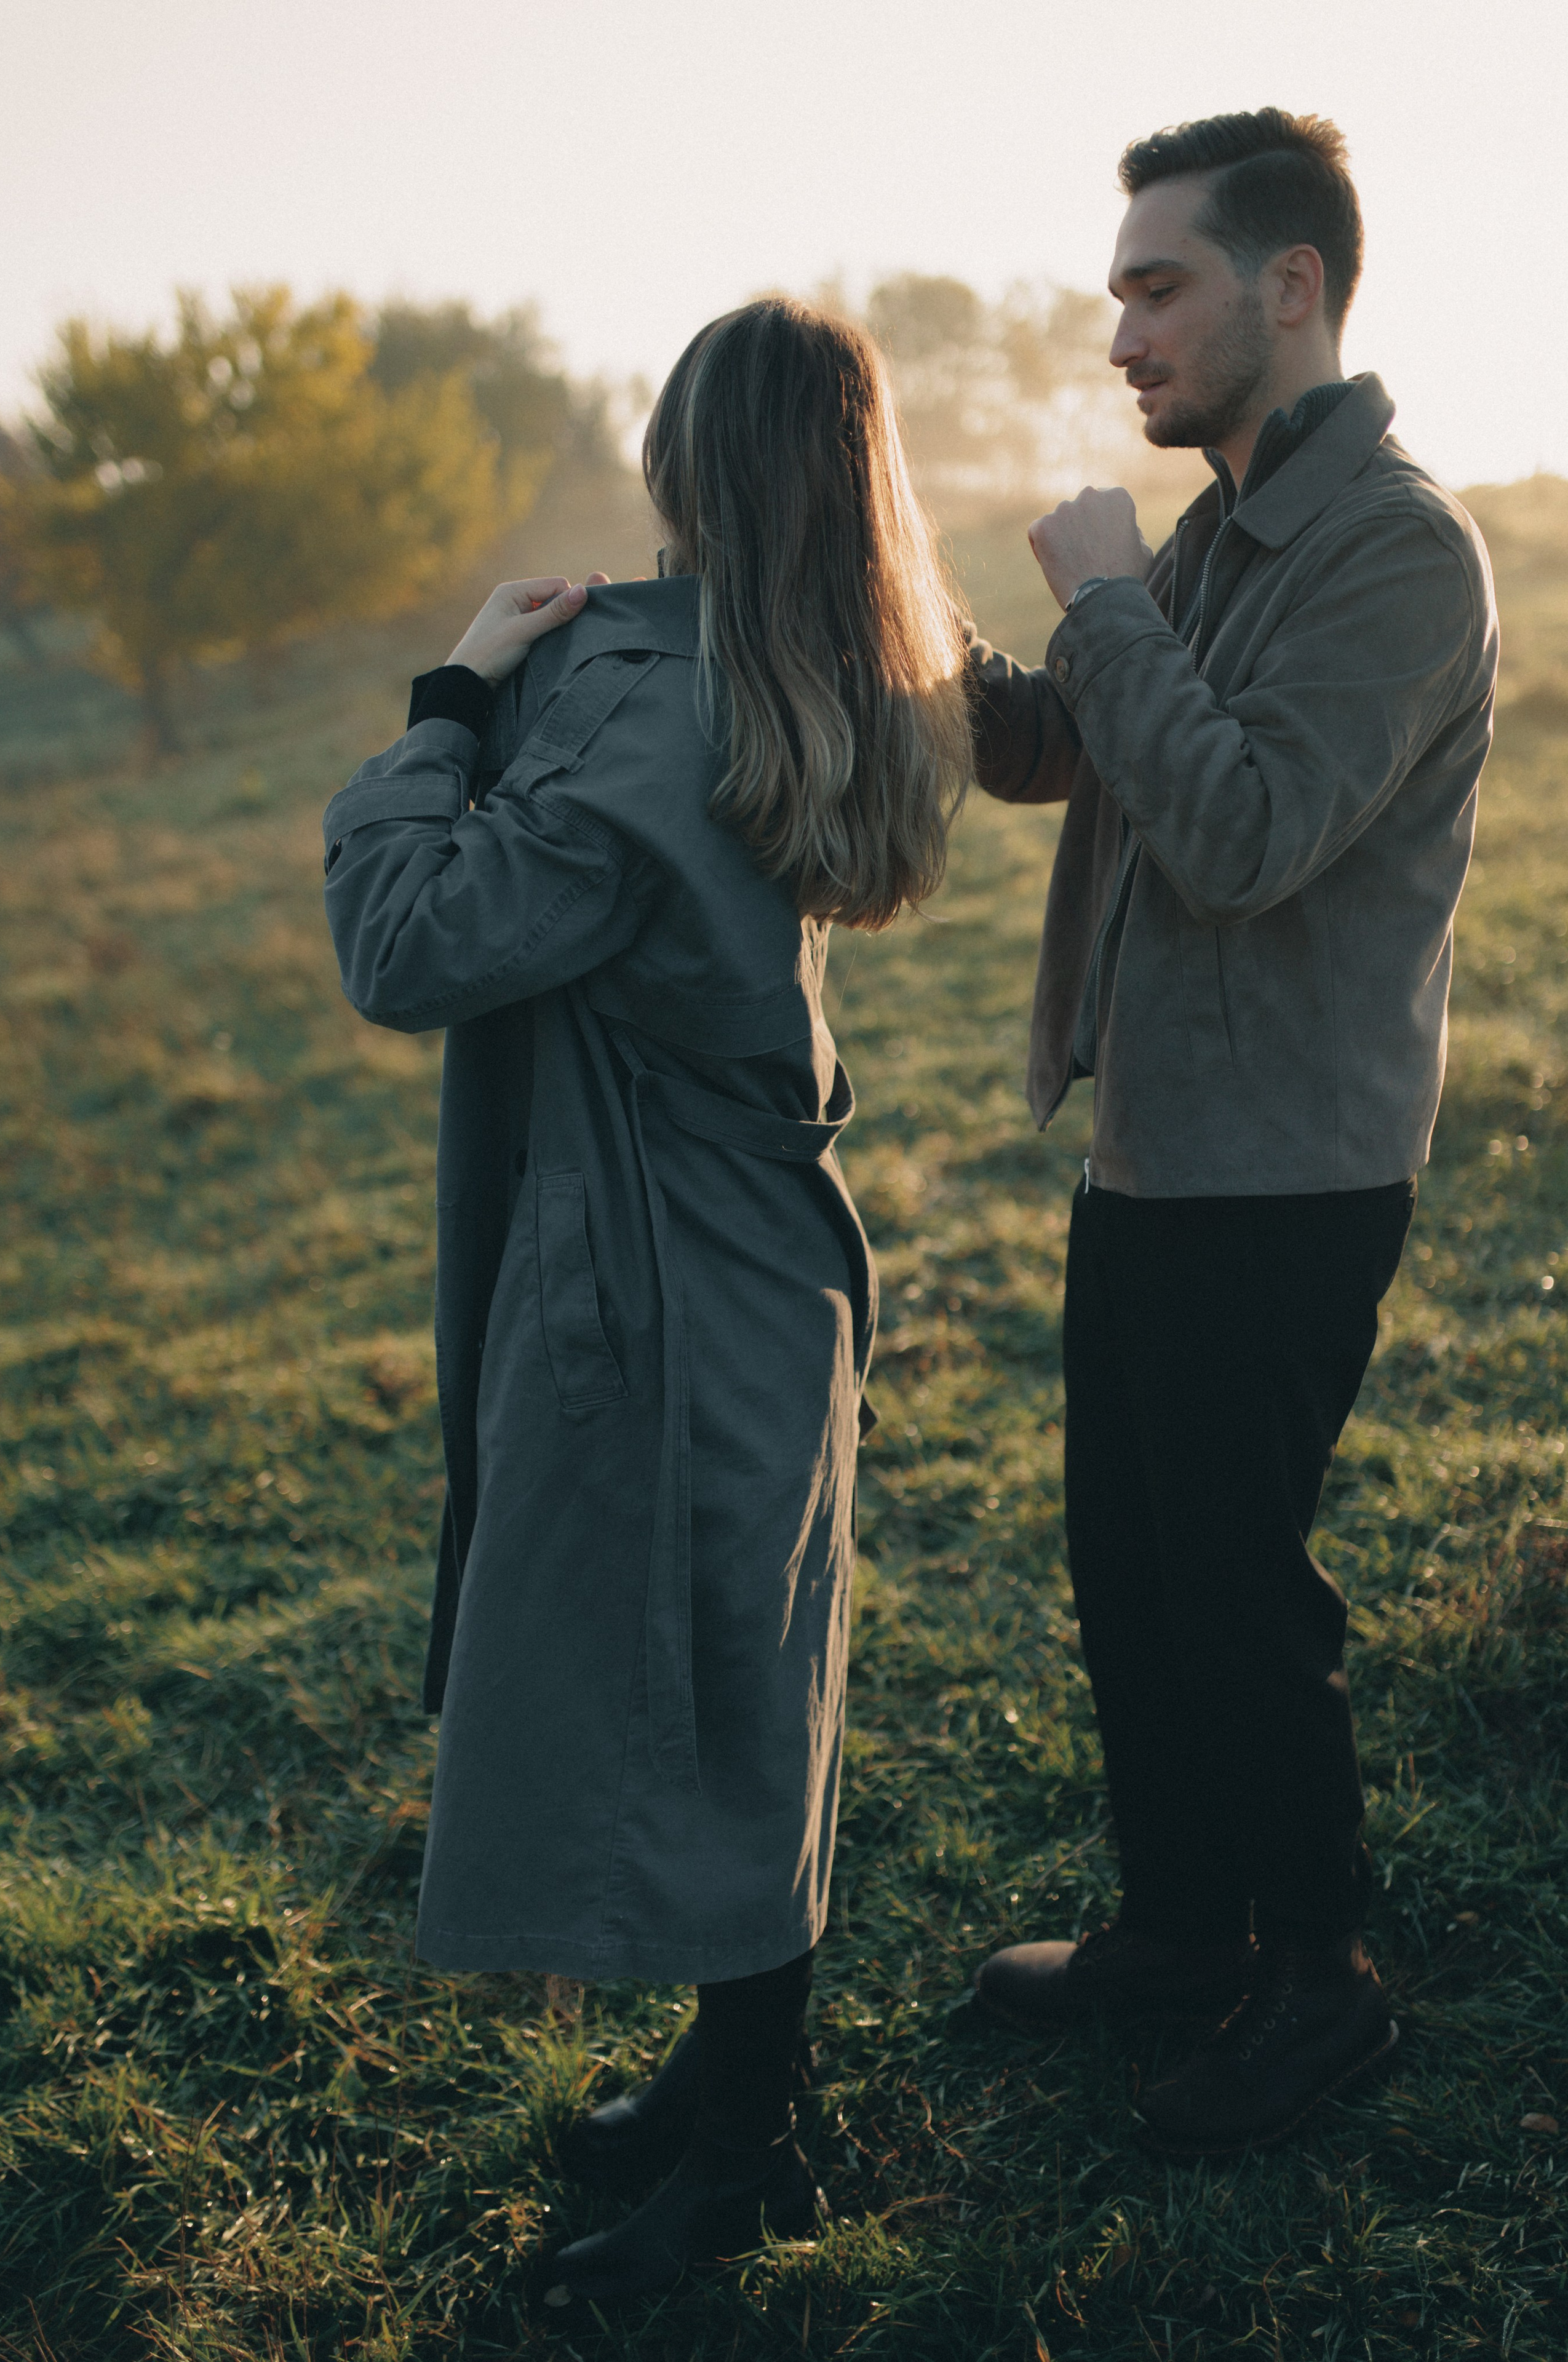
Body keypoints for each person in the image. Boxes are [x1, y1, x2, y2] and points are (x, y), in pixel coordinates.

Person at [321, 298, 972, 2297]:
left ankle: (740, 2170)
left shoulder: (639, 701)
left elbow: (414, 942)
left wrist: (448, 702)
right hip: (776, 1251)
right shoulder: (864, 668)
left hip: (657, 1273)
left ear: (684, 465)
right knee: (751, 1683)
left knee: (700, 1698)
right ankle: (727, 2090)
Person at [966, 110, 1497, 2155]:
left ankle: (1319, 1985)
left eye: (1155, 286)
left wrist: (1106, 598)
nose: (1121, 337)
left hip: (1292, 1169)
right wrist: (909, 632)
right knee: (1134, 1567)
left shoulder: (1396, 551)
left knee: (1238, 1590)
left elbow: (1249, 833)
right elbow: (1066, 748)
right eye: (1118, 293)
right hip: (1160, 1147)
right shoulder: (1212, 530)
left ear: (1293, 286)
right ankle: (1179, 1937)